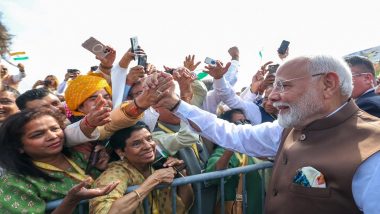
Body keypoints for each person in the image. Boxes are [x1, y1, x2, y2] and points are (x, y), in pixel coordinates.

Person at [151, 55, 380, 213]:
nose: (272, 96)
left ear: (328, 84)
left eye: (284, 86)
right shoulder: (287, 129)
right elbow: (231, 133)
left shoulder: (373, 150)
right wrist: (176, 104)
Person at [0, 108, 119, 213]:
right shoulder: (14, 183)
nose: (52, 136)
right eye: (37, 135)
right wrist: (71, 201)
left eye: (55, 129)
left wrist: (100, 168)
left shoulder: (79, 154)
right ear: (18, 147)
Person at [89, 122, 194, 214]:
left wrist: (181, 174)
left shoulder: (154, 167)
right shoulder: (114, 174)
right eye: (136, 143)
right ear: (120, 152)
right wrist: (152, 182)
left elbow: (184, 206)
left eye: (149, 139)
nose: (148, 146)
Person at [206, 109, 264, 214]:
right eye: (239, 122)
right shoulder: (223, 150)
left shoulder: (254, 147)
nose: (244, 126)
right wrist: (232, 144)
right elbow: (213, 174)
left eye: (246, 121)